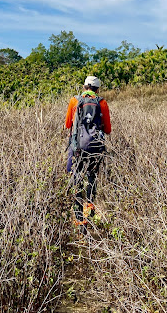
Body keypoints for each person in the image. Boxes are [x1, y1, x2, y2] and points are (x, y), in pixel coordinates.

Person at [64, 75, 111, 233]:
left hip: (78, 147)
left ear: (84, 87)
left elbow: (67, 124)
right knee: (92, 178)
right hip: (95, 147)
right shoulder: (102, 102)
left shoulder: (74, 101)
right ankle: (90, 213)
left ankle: (79, 219)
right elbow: (108, 129)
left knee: (76, 178)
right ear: (97, 89)